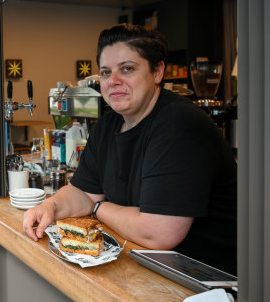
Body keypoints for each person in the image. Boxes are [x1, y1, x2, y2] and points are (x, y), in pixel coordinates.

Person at [23, 24, 237, 275]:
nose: (113, 81)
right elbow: (83, 192)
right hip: (146, 266)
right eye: (105, 72)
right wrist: (51, 207)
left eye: (127, 69)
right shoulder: (108, 124)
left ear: (157, 72)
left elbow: (157, 233)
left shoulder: (179, 125)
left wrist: (97, 208)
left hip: (208, 279)